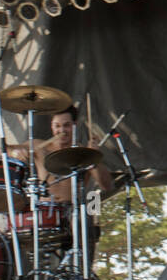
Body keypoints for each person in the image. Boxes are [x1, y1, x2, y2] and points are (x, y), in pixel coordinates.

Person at [8, 105, 113, 267]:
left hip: (73, 212)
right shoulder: (38, 146)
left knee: (88, 213)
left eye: (66, 125)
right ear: (51, 126)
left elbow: (106, 185)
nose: (61, 130)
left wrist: (95, 159)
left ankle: (84, 273)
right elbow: (1, 151)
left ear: (74, 125)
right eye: (57, 126)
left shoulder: (84, 152)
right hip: (43, 212)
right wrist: (16, 153)